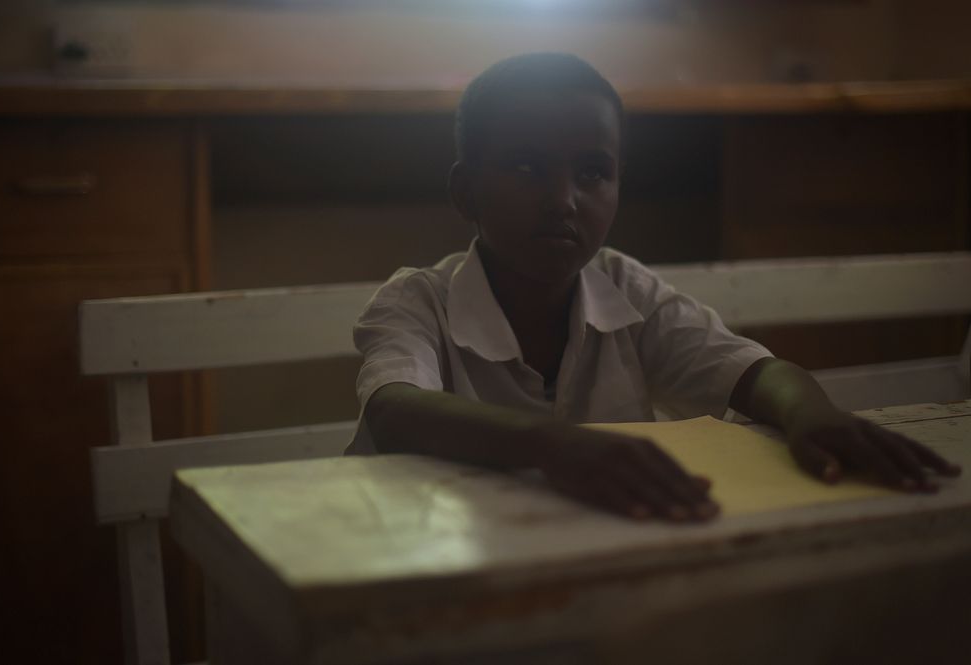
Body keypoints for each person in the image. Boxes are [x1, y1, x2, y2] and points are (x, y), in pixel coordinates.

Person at [345, 52, 960, 522]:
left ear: (618, 187)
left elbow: (754, 372)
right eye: (527, 166)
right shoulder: (418, 301)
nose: (564, 200)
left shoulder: (625, 289)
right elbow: (395, 408)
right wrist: (554, 446)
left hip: (580, 547)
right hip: (414, 547)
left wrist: (812, 416)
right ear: (465, 192)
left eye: (593, 172)